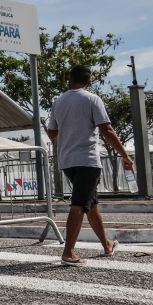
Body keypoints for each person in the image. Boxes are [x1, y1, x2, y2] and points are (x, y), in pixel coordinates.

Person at [47, 65, 134, 265]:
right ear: (89, 81)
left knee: (91, 205)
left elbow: (52, 132)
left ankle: (107, 244)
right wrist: (125, 155)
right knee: (79, 204)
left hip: (67, 161)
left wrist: (69, 131)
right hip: (87, 160)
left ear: (69, 79)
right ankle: (68, 253)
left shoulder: (58, 102)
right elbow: (107, 129)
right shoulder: (92, 99)